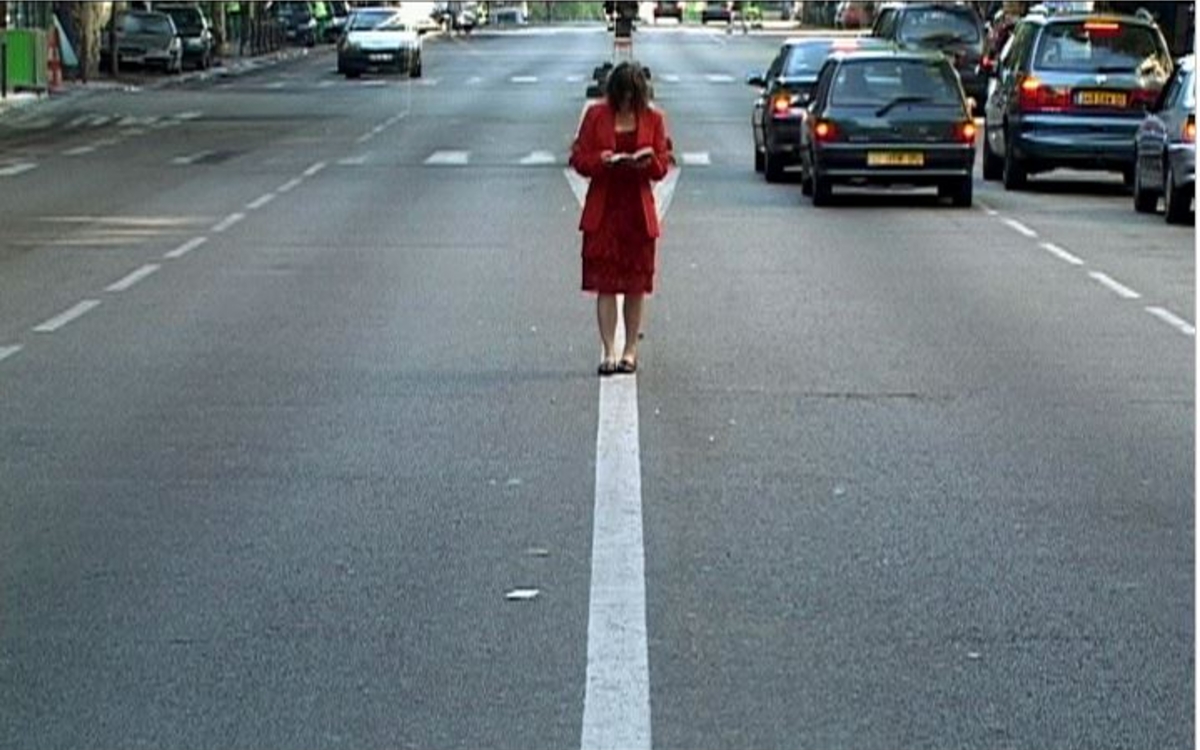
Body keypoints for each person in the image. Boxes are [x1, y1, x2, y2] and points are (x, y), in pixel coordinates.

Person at [569, 61, 672, 376]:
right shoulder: (596, 116)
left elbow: (662, 166)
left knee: (635, 284)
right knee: (605, 284)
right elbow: (578, 158)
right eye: (622, 96)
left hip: (636, 213)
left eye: (632, 97)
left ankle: (630, 350)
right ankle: (608, 351)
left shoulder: (654, 119)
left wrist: (648, 162)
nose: (627, 102)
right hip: (605, 209)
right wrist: (600, 161)